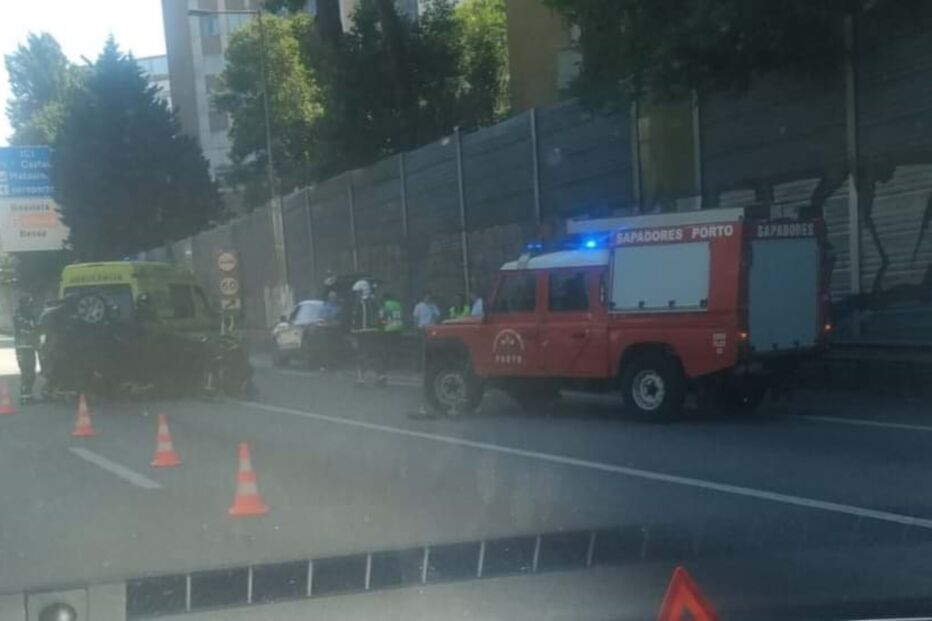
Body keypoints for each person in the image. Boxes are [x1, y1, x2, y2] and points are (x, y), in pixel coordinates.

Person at [350, 279, 386, 386]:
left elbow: (355, 320)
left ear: (362, 291)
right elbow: (382, 316)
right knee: (375, 355)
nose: (356, 295)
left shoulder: (359, 304)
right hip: (375, 333)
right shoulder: (375, 302)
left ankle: (360, 378)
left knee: (361, 355)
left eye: (357, 292)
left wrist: (353, 335)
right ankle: (381, 375)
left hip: (362, 333)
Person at [13, 295, 38, 403]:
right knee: (26, 371)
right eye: (29, 303)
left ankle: (28, 395)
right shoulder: (19, 316)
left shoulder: (30, 316)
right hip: (23, 348)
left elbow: (35, 329)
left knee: (31, 372)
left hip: (30, 347)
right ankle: (25, 396)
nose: (31, 305)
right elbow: (29, 327)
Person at [380, 292, 404, 371]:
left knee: (387, 347)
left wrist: (382, 324)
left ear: (385, 299)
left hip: (389, 328)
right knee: (396, 347)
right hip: (398, 328)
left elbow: (383, 317)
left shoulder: (386, 305)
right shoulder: (398, 304)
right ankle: (396, 363)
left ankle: (388, 364)